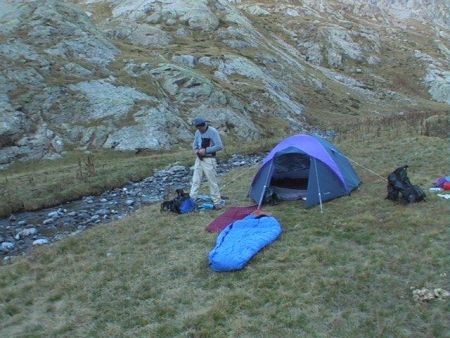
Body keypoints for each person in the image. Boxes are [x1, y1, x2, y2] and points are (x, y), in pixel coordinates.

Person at [190, 117, 225, 209]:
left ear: (204, 124)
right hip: (199, 159)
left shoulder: (213, 132)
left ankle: (217, 202)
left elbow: (219, 146)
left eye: (201, 126)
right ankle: (191, 200)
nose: (200, 128)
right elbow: (195, 144)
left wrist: (206, 150)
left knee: (212, 181)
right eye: (198, 127)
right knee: (195, 181)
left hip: (209, 159)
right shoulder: (197, 133)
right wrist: (195, 150)